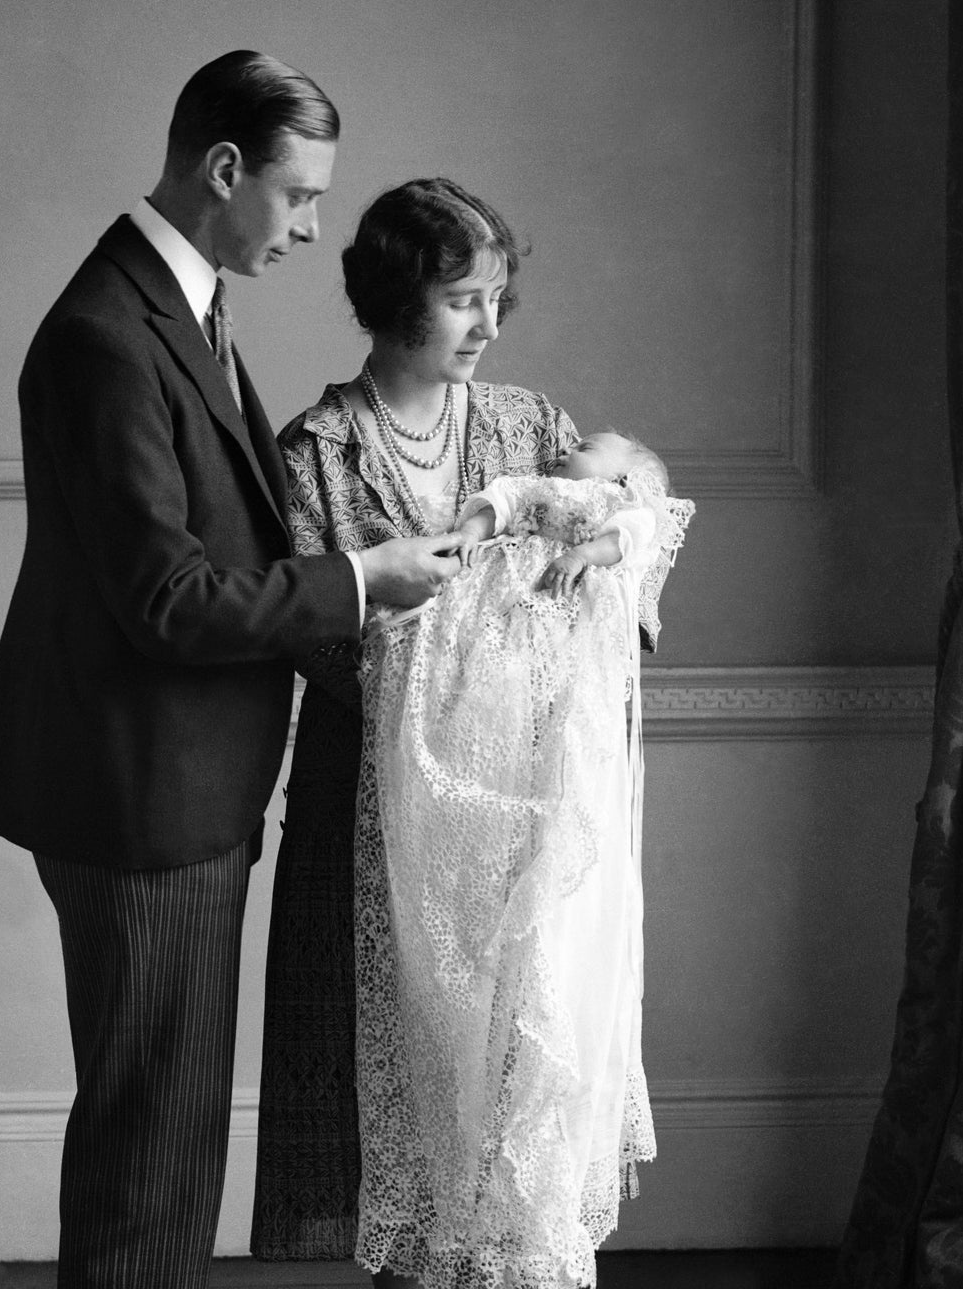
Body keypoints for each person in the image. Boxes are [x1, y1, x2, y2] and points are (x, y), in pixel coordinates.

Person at [0, 52, 462, 1289]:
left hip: (177, 786)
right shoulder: (106, 334)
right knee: (153, 1146)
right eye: (297, 198)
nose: (310, 228)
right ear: (224, 167)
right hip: (141, 796)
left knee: (169, 1132)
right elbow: (167, 599)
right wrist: (362, 580)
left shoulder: (173, 307)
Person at [250, 179, 683, 1279]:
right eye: (460, 300)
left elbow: (621, 536)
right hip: (371, 806)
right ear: (397, 299)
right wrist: (476, 620)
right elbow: (324, 640)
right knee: (396, 1101)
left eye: (497, 299)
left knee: (513, 1097)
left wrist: (600, 556)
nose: (487, 325)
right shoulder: (317, 454)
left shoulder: (525, 424)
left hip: (527, 807)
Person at [356, 430, 694, 1289]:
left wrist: (595, 549)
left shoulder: (616, 504)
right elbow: (496, 501)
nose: (573, 443)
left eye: (597, 448)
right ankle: (470, 1226)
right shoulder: (533, 482)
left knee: (546, 957)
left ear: (620, 474)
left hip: (555, 699)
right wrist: (476, 532)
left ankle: (527, 1230)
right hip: (490, 682)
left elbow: (644, 533)